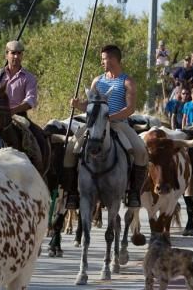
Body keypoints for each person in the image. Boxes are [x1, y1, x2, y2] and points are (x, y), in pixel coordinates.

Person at [63, 45, 148, 209]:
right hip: (94, 125)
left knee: (141, 151)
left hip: (119, 124)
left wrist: (109, 118)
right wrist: (78, 104)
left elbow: (130, 109)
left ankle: (134, 193)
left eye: (104, 58)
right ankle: (72, 192)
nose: (102, 62)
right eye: (102, 59)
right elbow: (90, 106)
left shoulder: (127, 81)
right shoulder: (98, 80)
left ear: (114, 59)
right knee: (69, 150)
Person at [0, 40, 38, 117]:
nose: (16, 56)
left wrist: (13, 111)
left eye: (19, 53)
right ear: (6, 55)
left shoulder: (29, 78)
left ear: (22, 55)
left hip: (19, 116)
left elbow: (31, 100)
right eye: (13, 53)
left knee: (36, 129)